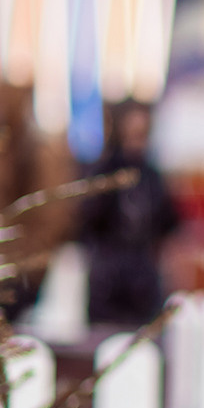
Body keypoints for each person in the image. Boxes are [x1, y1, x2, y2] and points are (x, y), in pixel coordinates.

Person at [76, 101, 178, 327]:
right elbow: (87, 221)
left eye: (141, 133)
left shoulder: (152, 175)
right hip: (109, 274)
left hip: (142, 273)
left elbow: (168, 221)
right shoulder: (105, 171)